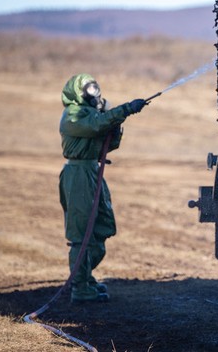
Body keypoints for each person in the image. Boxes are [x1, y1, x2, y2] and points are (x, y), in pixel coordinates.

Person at [58, 73, 146, 303]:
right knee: (81, 233)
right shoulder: (73, 115)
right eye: (87, 88)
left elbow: (107, 144)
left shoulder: (90, 115)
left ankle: (85, 277)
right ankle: (80, 289)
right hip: (77, 174)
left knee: (102, 226)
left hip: (92, 172)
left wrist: (115, 123)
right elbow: (96, 127)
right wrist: (125, 110)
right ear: (77, 92)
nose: (93, 92)